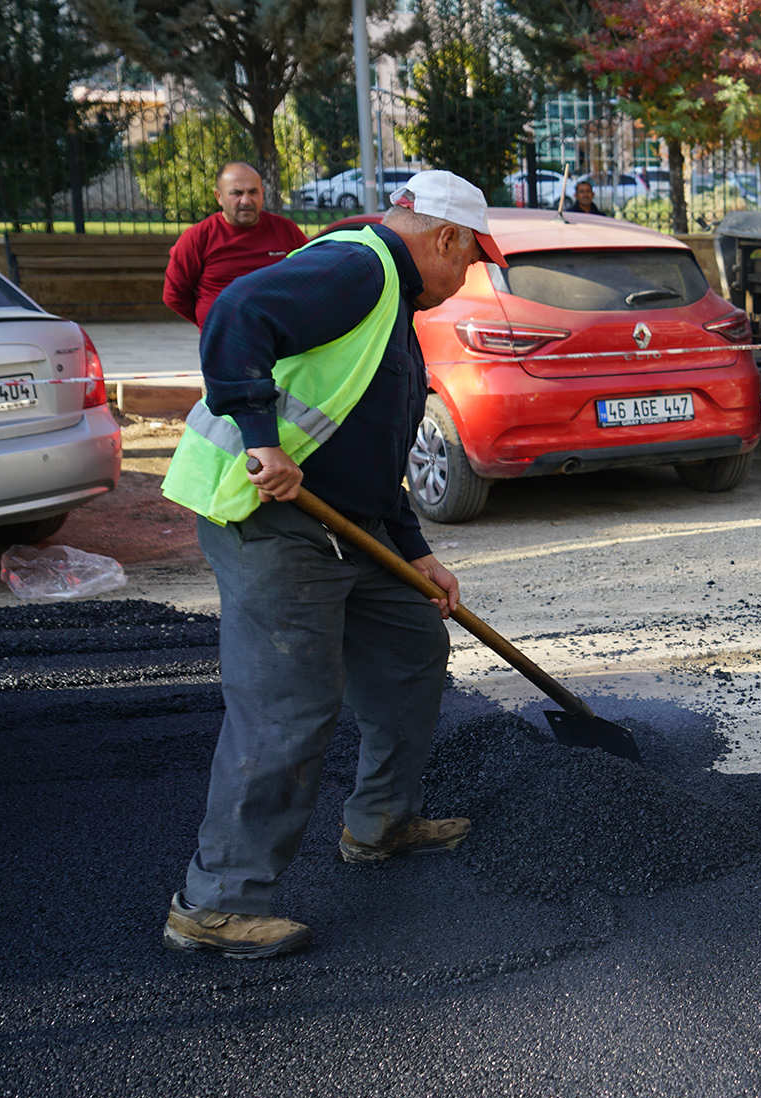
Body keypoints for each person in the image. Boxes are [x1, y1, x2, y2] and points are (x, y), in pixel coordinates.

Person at [157, 170, 510, 960]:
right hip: (271, 520)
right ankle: (214, 903)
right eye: (471, 261)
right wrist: (259, 437)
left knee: (412, 648)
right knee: (289, 703)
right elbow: (237, 313)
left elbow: (371, 454)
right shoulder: (360, 267)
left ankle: (381, 824)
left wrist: (418, 553)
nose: (466, 279)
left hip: (352, 526)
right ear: (445, 238)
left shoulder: (392, 313)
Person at [162, 162, 310, 328]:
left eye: (253, 192)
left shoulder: (286, 231)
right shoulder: (198, 237)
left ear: (262, 193)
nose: (246, 201)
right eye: (236, 193)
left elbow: (311, 277)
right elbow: (174, 295)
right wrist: (211, 322)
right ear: (219, 196)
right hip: (225, 341)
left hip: (281, 339)